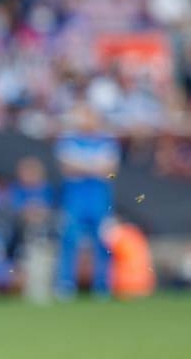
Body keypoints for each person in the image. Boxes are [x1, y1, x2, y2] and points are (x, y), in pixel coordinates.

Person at [53, 103, 119, 300]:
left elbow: (110, 170)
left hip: (99, 195)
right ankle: (66, 283)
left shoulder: (106, 140)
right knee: (70, 237)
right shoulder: (69, 140)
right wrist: (94, 167)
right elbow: (67, 168)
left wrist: (83, 166)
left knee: (103, 239)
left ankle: (102, 285)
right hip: (75, 195)